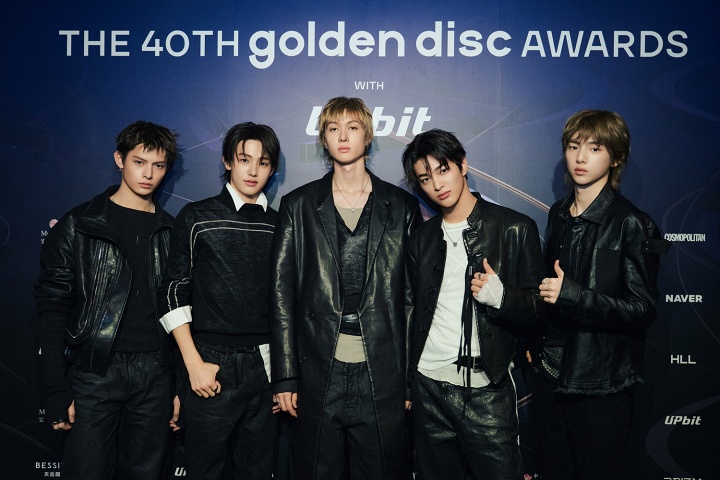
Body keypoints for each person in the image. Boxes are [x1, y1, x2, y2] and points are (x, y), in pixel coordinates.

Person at [270, 96, 421, 480]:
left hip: (382, 371)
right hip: (318, 370)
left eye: (352, 128)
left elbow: (411, 301)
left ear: (367, 136)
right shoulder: (297, 205)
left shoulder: (401, 206)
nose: (342, 136)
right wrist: (285, 375)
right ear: (323, 138)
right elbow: (282, 296)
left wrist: (407, 381)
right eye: (333, 128)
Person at [35, 121, 179, 480]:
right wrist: (56, 388)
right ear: (119, 159)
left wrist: (177, 387)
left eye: (158, 166)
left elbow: (181, 310)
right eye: (139, 162)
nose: (148, 174)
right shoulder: (79, 225)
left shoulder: (172, 231)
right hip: (95, 372)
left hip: (155, 375)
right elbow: (53, 309)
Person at [530, 110, 669, 479]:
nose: (581, 157)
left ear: (616, 157)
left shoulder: (631, 223)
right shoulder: (559, 213)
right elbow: (548, 289)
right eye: (573, 146)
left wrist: (574, 296)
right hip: (549, 375)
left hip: (599, 385)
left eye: (594, 148)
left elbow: (642, 310)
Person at [401, 128, 544, 479]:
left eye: (443, 169)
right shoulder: (420, 240)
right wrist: (408, 382)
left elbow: (540, 312)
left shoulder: (515, 228)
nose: (437, 184)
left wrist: (503, 297)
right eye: (425, 178)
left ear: (463, 165)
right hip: (428, 387)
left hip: (485, 389)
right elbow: (409, 313)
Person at [158, 122, 280, 480]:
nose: (253, 170)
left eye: (263, 162)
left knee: (258, 473)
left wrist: (284, 376)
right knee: (204, 471)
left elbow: (290, 304)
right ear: (228, 161)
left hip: (266, 364)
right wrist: (194, 365)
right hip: (211, 364)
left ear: (272, 168)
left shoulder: (282, 224)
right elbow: (173, 292)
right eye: (244, 159)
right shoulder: (197, 217)